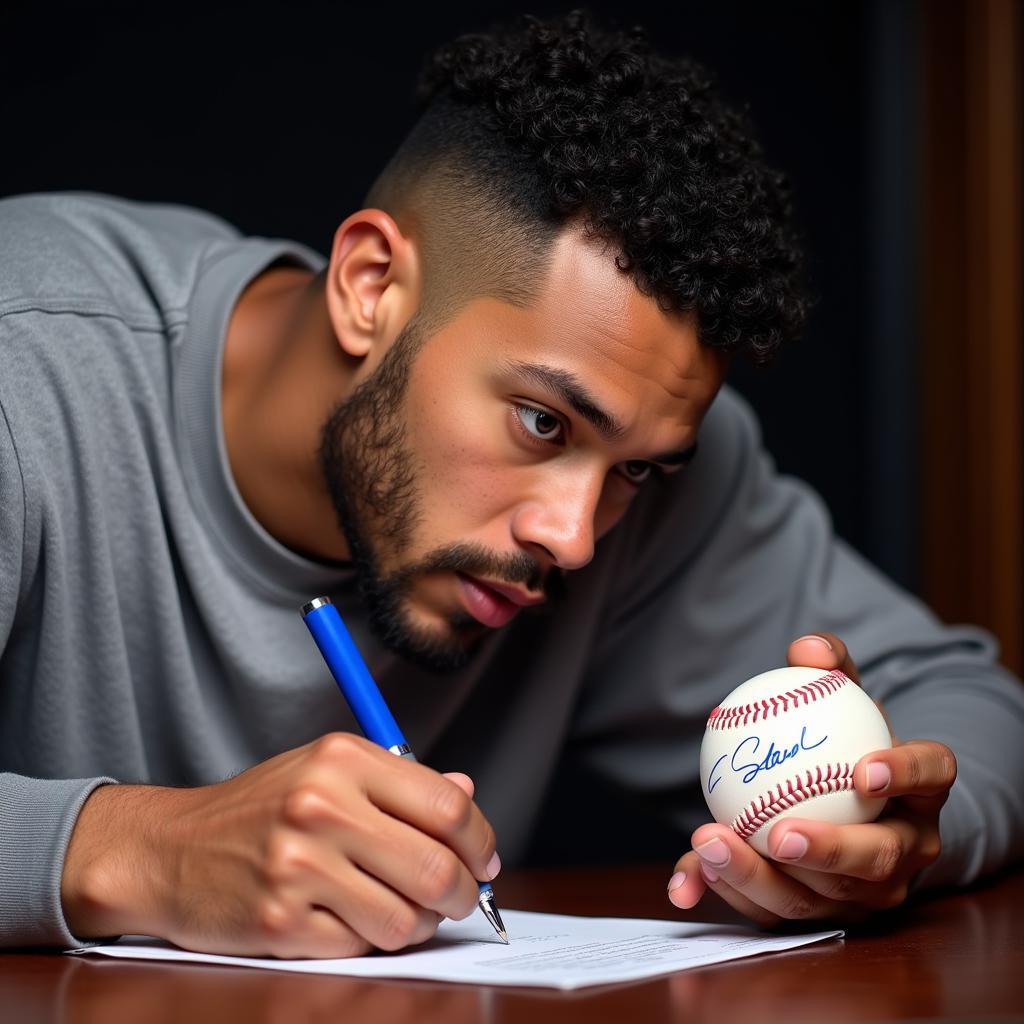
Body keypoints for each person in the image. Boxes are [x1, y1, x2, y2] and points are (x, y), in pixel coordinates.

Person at [1, 13, 1021, 958]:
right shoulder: (26, 361)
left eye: (632, 469)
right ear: (370, 288)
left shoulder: (656, 473)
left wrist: (893, 835)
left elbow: (979, 708)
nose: (575, 536)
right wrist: (128, 848)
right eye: (543, 422)